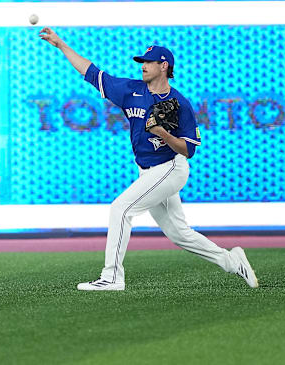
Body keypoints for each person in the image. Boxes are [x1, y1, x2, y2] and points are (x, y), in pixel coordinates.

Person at [39, 27, 258, 291]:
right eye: (141, 62)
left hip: (170, 168)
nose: (142, 66)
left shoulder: (180, 103)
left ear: (163, 65)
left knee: (120, 209)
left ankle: (111, 277)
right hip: (147, 172)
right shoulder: (130, 90)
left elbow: (188, 150)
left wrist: (161, 132)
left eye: (148, 62)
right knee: (180, 234)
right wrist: (60, 44)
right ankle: (233, 261)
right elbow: (91, 72)